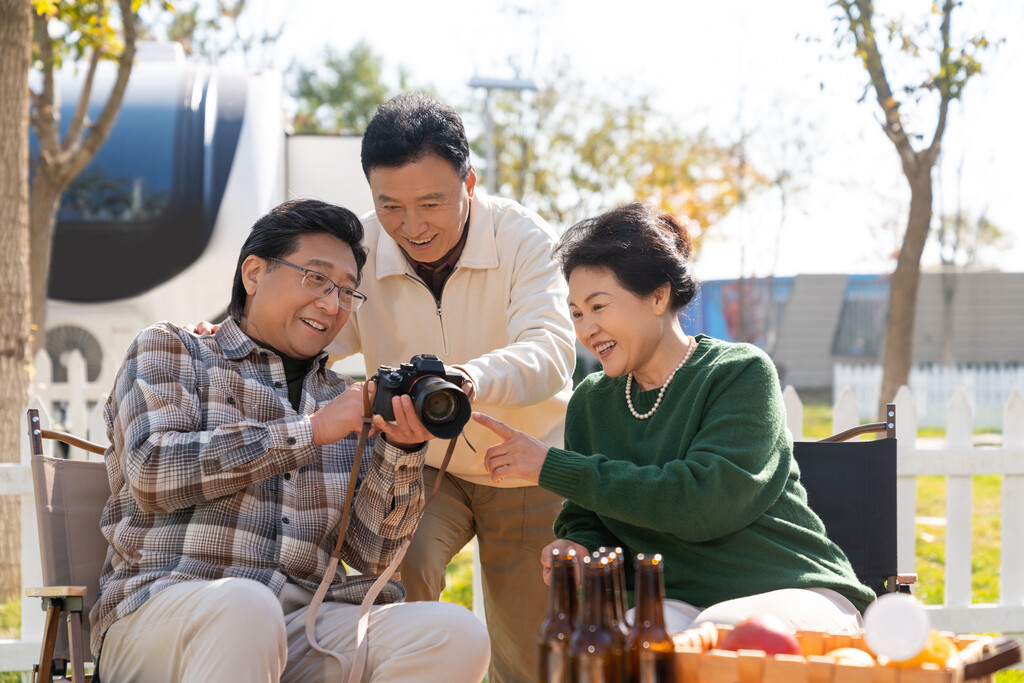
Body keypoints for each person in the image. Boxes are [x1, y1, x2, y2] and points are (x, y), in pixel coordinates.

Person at [91, 199, 489, 683]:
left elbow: (373, 557)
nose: (332, 303)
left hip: (305, 622)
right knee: (245, 606)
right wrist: (309, 432)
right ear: (254, 273)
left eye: (347, 291)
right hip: (165, 609)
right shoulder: (174, 349)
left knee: (454, 633)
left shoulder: (347, 399)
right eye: (316, 278)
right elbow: (153, 471)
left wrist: (400, 453)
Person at [474, 201, 877, 636]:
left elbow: (705, 503)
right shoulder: (592, 400)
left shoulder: (738, 373)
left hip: (795, 592)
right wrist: (578, 546)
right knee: (627, 640)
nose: (586, 328)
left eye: (599, 306)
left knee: (720, 632)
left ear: (658, 296)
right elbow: (588, 518)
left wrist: (552, 465)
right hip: (676, 601)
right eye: (576, 313)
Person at [328, 92, 576, 683]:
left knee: (532, 650)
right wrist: (233, 327)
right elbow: (307, 338)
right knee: (396, 591)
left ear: (469, 181)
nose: (411, 227)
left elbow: (552, 353)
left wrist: (466, 380)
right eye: (389, 206)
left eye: (431, 203)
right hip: (419, 464)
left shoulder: (522, 236)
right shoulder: (359, 249)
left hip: (522, 459)